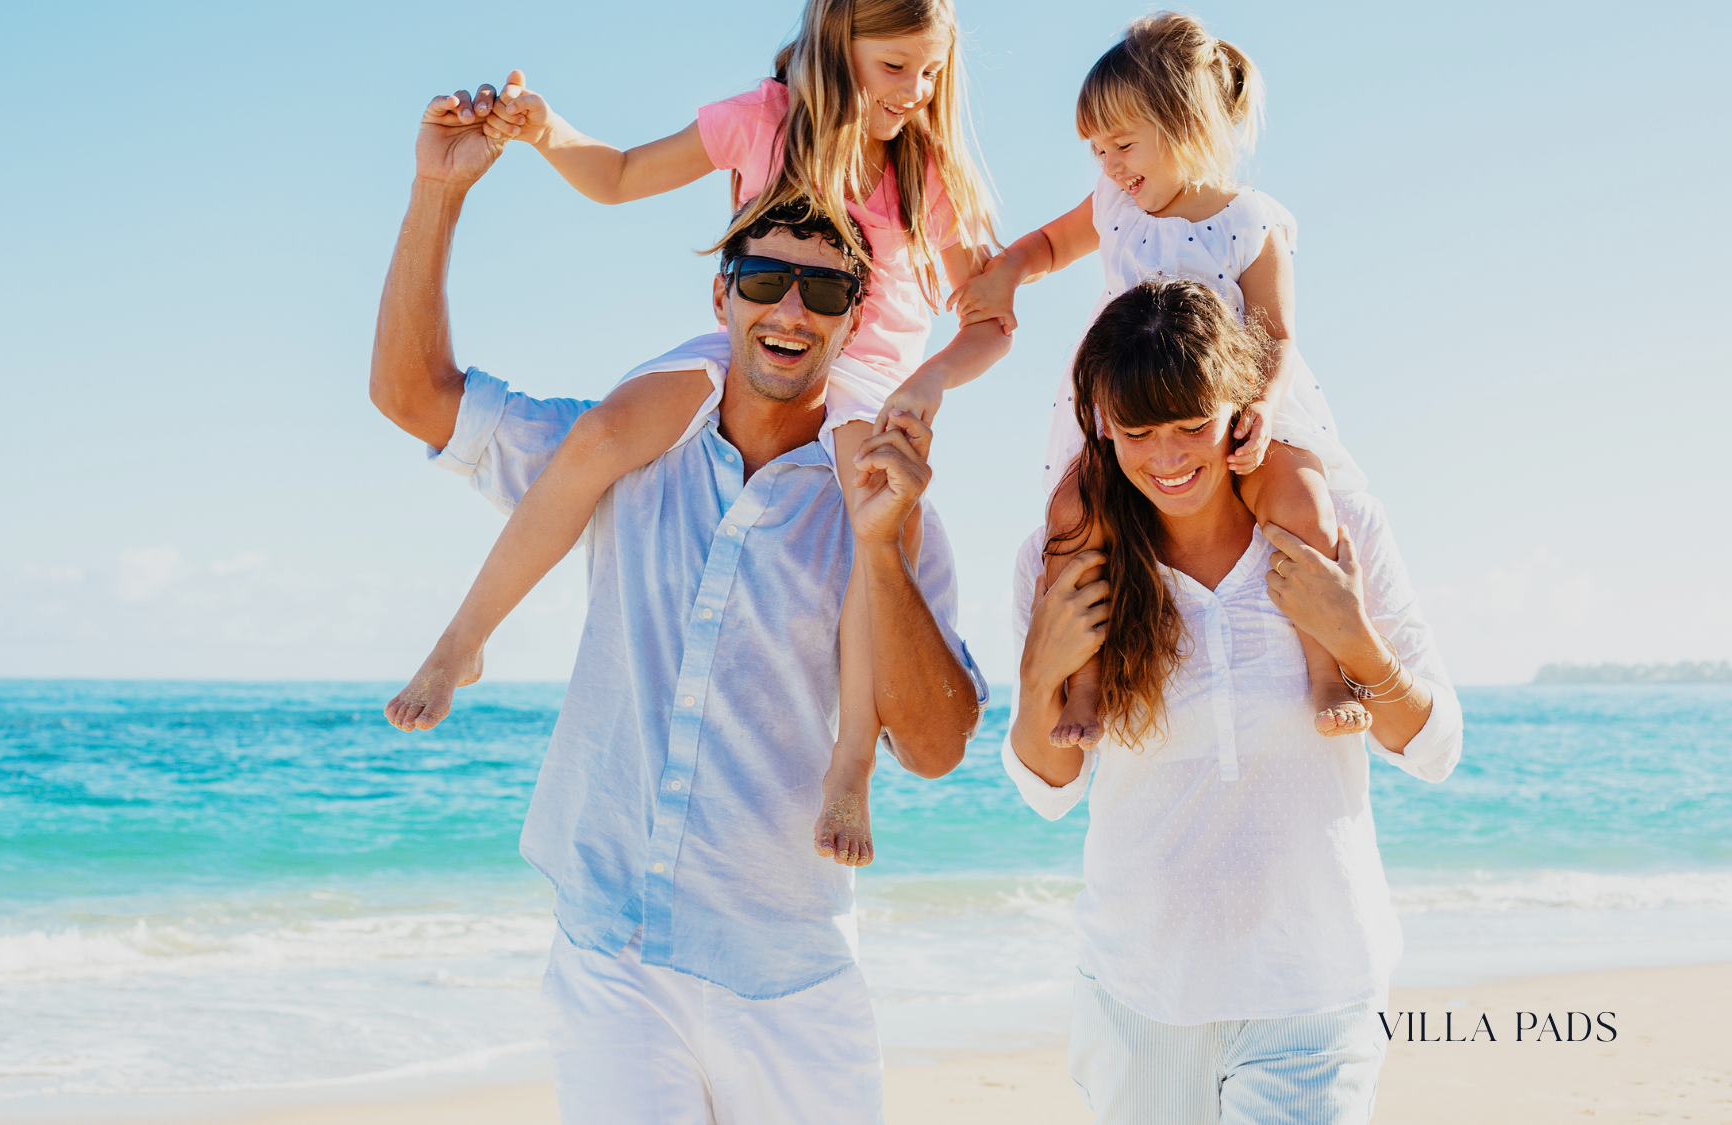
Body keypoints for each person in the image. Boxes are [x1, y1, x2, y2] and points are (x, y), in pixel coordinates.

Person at [371, 84, 986, 1125]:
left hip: (787, 982)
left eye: (823, 291)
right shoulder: (623, 445)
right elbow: (411, 394)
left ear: (854, 320)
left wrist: (879, 548)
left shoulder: (882, 496)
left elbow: (933, 748)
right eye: (764, 280)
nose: (789, 311)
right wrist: (439, 195)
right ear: (721, 297)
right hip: (608, 955)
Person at [387, 0, 1008, 869]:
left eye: (931, 72)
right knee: (602, 432)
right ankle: (462, 640)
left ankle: (852, 765)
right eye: (895, 66)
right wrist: (547, 132)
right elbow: (620, 175)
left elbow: (991, 322)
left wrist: (927, 383)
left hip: (866, 378)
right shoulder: (763, 120)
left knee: (878, 530)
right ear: (838, 47)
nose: (915, 91)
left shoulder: (922, 172)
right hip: (750, 345)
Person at [1002, 278, 1462, 1123]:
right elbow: (1048, 789)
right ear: (1103, 424)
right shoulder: (1065, 551)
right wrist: (1039, 677)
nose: (1168, 457)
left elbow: (1437, 749)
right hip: (1139, 1000)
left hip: (1315, 994)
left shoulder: (1337, 526)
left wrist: (1355, 642)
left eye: (1192, 425)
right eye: (1139, 431)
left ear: (1240, 408)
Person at [953, 11, 1368, 751]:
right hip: (1129, 409)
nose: (1109, 166)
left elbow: (1276, 334)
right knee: (1075, 517)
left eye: (1122, 145)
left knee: (1302, 501)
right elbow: (1049, 244)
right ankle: (1084, 684)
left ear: (1185, 122)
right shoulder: (1114, 206)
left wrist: (1264, 409)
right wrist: (1008, 271)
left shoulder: (1248, 222)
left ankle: (1328, 669)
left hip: (1228, 409)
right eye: (1097, 151)